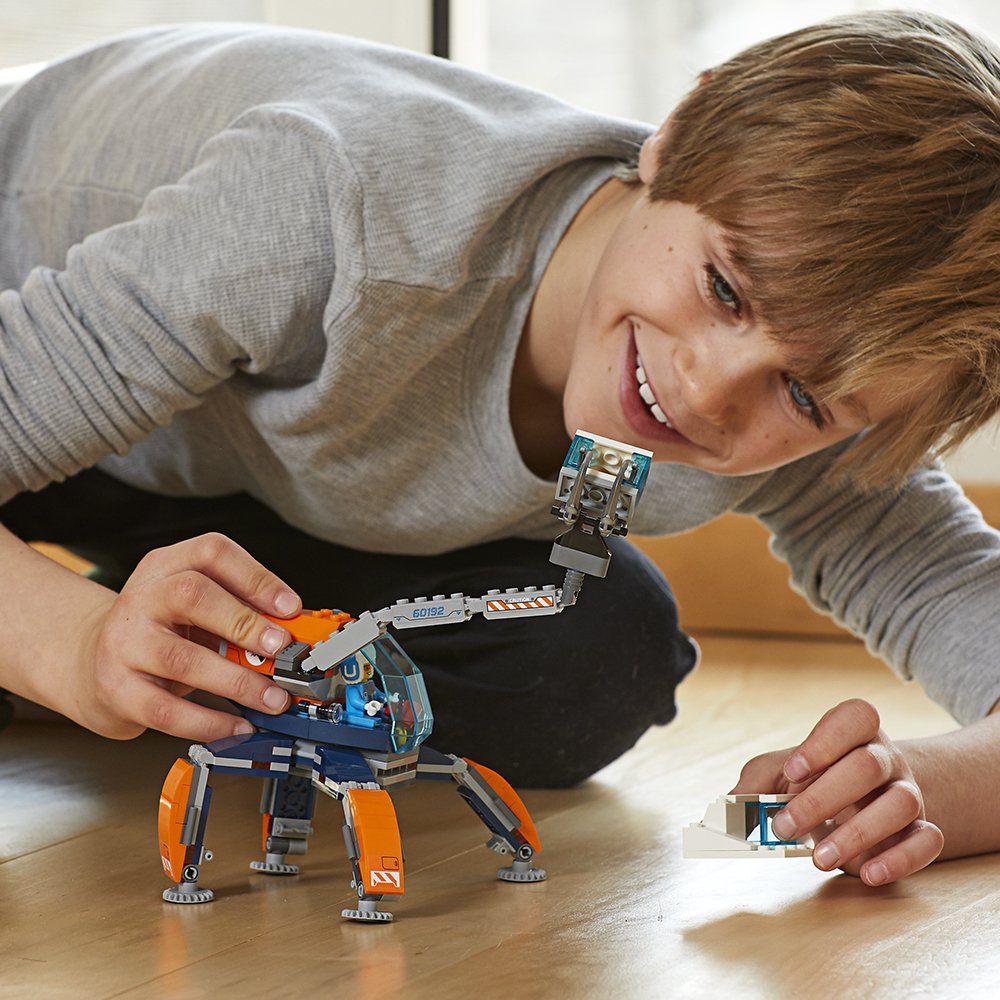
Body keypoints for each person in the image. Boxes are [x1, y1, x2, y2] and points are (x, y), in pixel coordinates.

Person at [1, 10, 999, 890]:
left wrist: (928, 782)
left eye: (801, 395)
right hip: (43, 365)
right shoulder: (327, 207)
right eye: (725, 290)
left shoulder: (819, 416)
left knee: (597, 652)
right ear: (680, 135)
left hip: (226, 469)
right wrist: (75, 646)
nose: (705, 389)